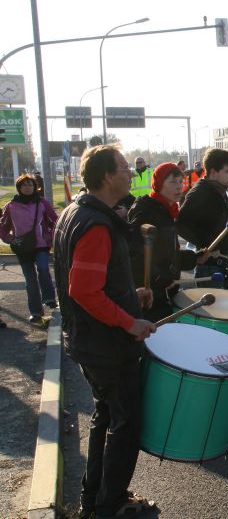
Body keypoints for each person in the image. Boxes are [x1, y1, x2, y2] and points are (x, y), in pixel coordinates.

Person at [52, 144, 157, 519]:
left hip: (90, 341)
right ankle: (111, 504)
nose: (130, 173)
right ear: (108, 176)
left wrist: (130, 295)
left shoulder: (74, 212)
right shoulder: (96, 224)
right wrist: (130, 322)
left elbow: (92, 281)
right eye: (124, 168)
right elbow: (83, 290)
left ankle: (94, 499)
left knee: (107, 417)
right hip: (107, 346)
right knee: (125, 424)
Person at [128, 163, 212, 321]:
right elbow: (135, 256)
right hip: (150, 298)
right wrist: (161, 278)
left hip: (162, 292)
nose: (179, 186)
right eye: (172, 182)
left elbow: (167, 255)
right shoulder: (148, 213)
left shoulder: (166, 210)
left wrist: (195, 258)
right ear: (159, 184)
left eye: (180, 182)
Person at [177, 148, 228, 284]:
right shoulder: (200, 193)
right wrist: (206, 246)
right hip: (210, 268)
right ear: (213, 172)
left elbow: (217, 226)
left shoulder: (218, 190)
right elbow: (181, 224)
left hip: (220, 265)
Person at [0, 174, 59, 326]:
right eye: (24, 185)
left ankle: (49, 298)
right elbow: (3, 227)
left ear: (35, 187)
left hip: (41, 245)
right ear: (19, 187)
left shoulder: (42, 203)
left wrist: (49, 235)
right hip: (22, 247)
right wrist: (9, 238)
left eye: (30, 185)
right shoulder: (11, 206)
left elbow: (55, 221)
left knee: (43, 268)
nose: (27, 187)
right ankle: (36, 312)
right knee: (30, 280)